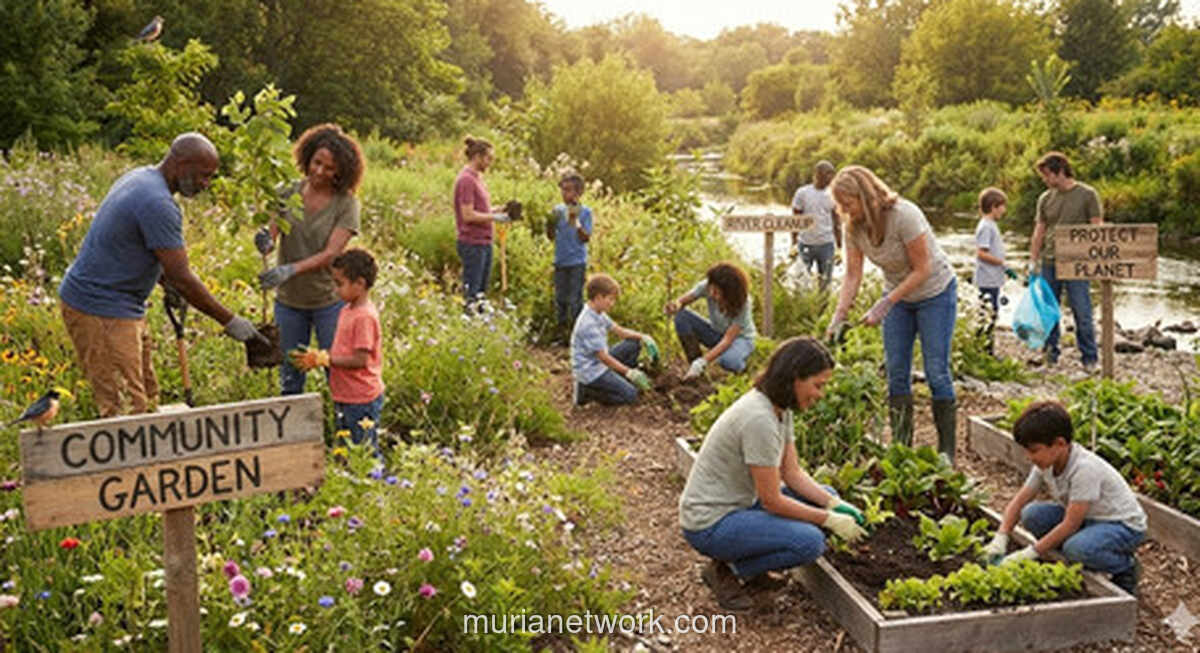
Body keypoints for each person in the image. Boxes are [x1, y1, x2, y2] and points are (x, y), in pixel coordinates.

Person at [58, 133, 266, 418]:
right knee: (125, 411)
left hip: (121, 306)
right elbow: (182, 276)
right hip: (100, 309)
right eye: (204, 175)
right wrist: (229, 321)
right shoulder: (156, 202)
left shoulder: (142, 177)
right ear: (181, 163)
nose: (206, 184)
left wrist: (166, 283)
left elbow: (139, 247)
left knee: (148, 397)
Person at [680, 337, 868, 611]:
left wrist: (834, 504)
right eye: (818, 385)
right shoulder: (759, 419)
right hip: (710, 523)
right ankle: (728, 571)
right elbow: (772, 501)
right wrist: (828, 519)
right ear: (795, 377)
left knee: (824, 496)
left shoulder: (780, 409)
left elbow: (791, 473)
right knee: (809, 542)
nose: (821, 394)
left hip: (739, 505)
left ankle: (750, 565)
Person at [825, 165, 958, 460]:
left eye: (848, 203)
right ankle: (901, 448)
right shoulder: (853, 227)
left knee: (936, 371)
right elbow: (852, 275)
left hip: (935, 293)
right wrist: (839, 316)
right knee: (896, 371)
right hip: (898, 299)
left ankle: (946, 452)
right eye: (840, 205)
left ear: (865, 196)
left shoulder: (904, 215)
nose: (844, 211)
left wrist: (886, 303)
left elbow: (923, 269)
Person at [982, 401, 1146, 595]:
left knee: (1077, 549)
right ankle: (1076, 551)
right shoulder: (1046, 464)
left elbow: (1070, 524)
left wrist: (1031, 552)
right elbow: (1019, 501)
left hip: (1121, 525)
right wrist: (1001, 536)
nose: (1028, 456)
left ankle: (1125, 567)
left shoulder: (1084, 469)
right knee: (1031, 515)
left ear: (1060, 444)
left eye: (1034, 450)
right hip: (1087, 518)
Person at [255, 123, 363, 396]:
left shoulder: (346, 204)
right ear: (307, 158)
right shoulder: (287, 193)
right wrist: (265, 241)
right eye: (317, 163)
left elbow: (331, 254)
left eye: (330, 168)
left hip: (328, 300)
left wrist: (290, 269)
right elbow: (272, 234)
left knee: (335, 369)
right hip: (289, 301)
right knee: (290, 373)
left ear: (341, 172)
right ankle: (294, 421)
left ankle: (343, 418)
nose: (320, 171)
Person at [290, 248, 384, 455]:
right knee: (346, 446)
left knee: (364, 450)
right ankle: (350, 473)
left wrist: (326, 359)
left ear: (359, 284)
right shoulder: (347, 310)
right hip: (345, 394)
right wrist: (319, 357)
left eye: (340, 284)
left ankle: (373, 474)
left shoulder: (364, 317)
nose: (335, 290)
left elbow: (360, 359)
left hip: (361, 397)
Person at [1028, 152, 1101, 370]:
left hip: (1077, 263)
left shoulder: (1087, 195)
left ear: (1060, 172)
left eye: (1047, 175)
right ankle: (1050, 355)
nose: (1044, 180)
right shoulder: (1045, 198)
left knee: (1082, 311)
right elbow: (1039, 231)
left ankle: (1089, 359)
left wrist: (1095, 261)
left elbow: (1097, 228)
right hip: (1049, 262)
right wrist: (1033, 261)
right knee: (1049, 311)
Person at [571, 274, 655, 406]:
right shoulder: (587, 324)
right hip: (591, 371)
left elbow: (619, 331)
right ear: (598, 297)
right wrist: (629, 372)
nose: (612, 304)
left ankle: (616, 381)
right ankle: (588, 392)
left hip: (599, 362)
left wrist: (644, 337)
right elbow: (604, 358)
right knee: (631, 395)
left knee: (634, 344)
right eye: (610, 299)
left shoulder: (598, 313)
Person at [665, 262, 757, 380]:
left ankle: (742, 371)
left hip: (739, 339)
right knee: (681, 316)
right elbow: (682, 301)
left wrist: (703, 362)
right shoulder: (707, 286)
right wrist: (675, 306)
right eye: (711, 290)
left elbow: (727, 340)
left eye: (717, 293)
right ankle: (695, 369)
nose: (712, 294)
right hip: (715, 332)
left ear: (730, 293)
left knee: (729, 361)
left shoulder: (743, 303)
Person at [453, 136, 513, 309]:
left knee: (481, 293)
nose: (490, 163)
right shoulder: (466, 180)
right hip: (472, 243)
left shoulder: (477, 178)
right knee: (472, 294)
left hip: (484, 242)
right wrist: (495, 218)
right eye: (488, 158)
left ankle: (479, 319)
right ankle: (469, 321)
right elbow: (468, 215)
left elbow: (481, 209)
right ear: (477, 157)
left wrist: (500, 210)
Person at [546, 172, 592, 342]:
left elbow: (585, 238)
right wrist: (549, 224)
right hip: (560, 261)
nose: (564, 194)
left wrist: (576, 220)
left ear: (578, 193)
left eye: (568, 190)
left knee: (575, 300)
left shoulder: (585, 212)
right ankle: (561, 334)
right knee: (560, 299)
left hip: (577, 262)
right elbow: (551, 236)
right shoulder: (557, 211)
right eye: (563, 190)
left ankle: (577, 336)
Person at [973, 187, 1014, 355]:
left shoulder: (991, 225)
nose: (1004, 210)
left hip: (992, 279)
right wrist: (1002, 264)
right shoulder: (986, 227)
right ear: (993, 207)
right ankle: (984, 351)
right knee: (988, 315)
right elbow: (981, 253)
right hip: (986, 279)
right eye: (1002, 206)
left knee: (991, 313)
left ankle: (985, 349)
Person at [789, 160, 841, 290]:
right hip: (805, 244)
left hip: (827, 245)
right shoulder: (802, 193)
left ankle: (822, 304)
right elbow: (795, 220)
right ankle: (802, 303)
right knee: (801, 283)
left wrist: (839, 248)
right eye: (827, 174)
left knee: (825, 284)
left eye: (832, 174)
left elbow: (837, 222)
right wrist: (793, 244)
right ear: (818, 174)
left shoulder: (833, 194)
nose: (831, 178)